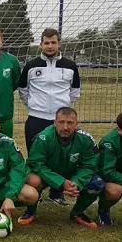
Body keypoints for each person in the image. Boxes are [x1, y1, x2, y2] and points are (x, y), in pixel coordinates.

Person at [19, 27, 80, 205]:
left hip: (61, 121)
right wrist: (36, 106)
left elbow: (74, 92)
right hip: (36, 119)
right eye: (46, 43)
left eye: (53, 42)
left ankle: (56, 192)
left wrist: (60, 111)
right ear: (41, 44)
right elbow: (23, 91)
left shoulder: (70, 66)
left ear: (59, 43)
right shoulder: (31, 66)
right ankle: (36, 191)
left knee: (60, 157)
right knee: (35, 157)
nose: (50, 46)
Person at [18, 107, 104, 228]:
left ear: (77, 124)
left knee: (97, 182)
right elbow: (36, 164)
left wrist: (76, 182)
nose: (65, 127)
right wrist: (61, 182)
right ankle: (30, 211)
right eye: (61, 122)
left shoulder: (86, 139)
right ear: (54, 123)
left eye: (70, 123)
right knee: (33, 180)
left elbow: (90, 165)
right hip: (47, 174)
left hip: (72, 173)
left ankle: (77, 213)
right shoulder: (43, 138)